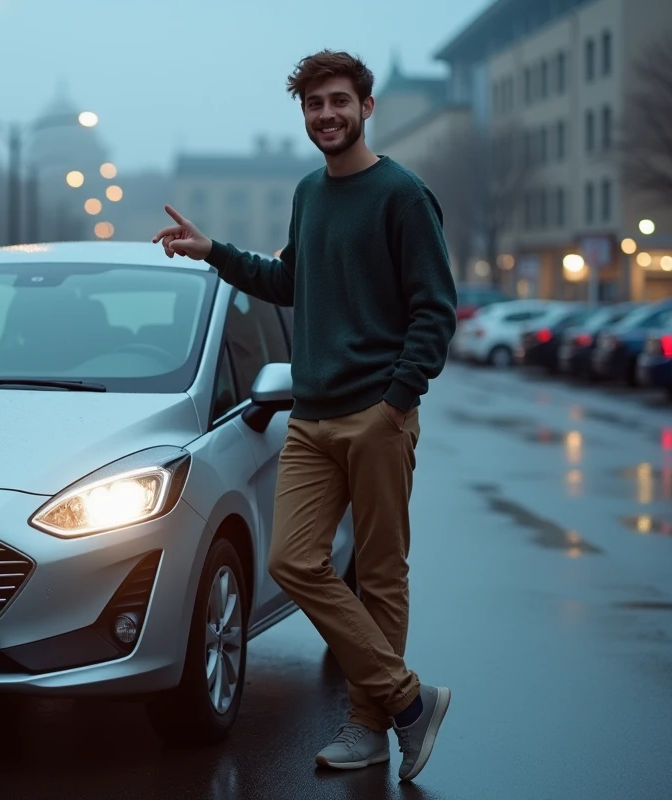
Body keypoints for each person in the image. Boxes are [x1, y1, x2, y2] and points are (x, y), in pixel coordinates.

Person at [152, 50, 457, 782]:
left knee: (379, 576)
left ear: (365, 107)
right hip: (313, 419)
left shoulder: (403, 196)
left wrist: (398, 401)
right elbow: (288, 281)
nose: (326, 115)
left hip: (378, 415)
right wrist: (214, 253)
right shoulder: (308, 194)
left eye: (338, 102)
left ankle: (367, 724)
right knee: (293, 562)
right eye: (314, 104)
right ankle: (410, 702)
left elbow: (434, 309)